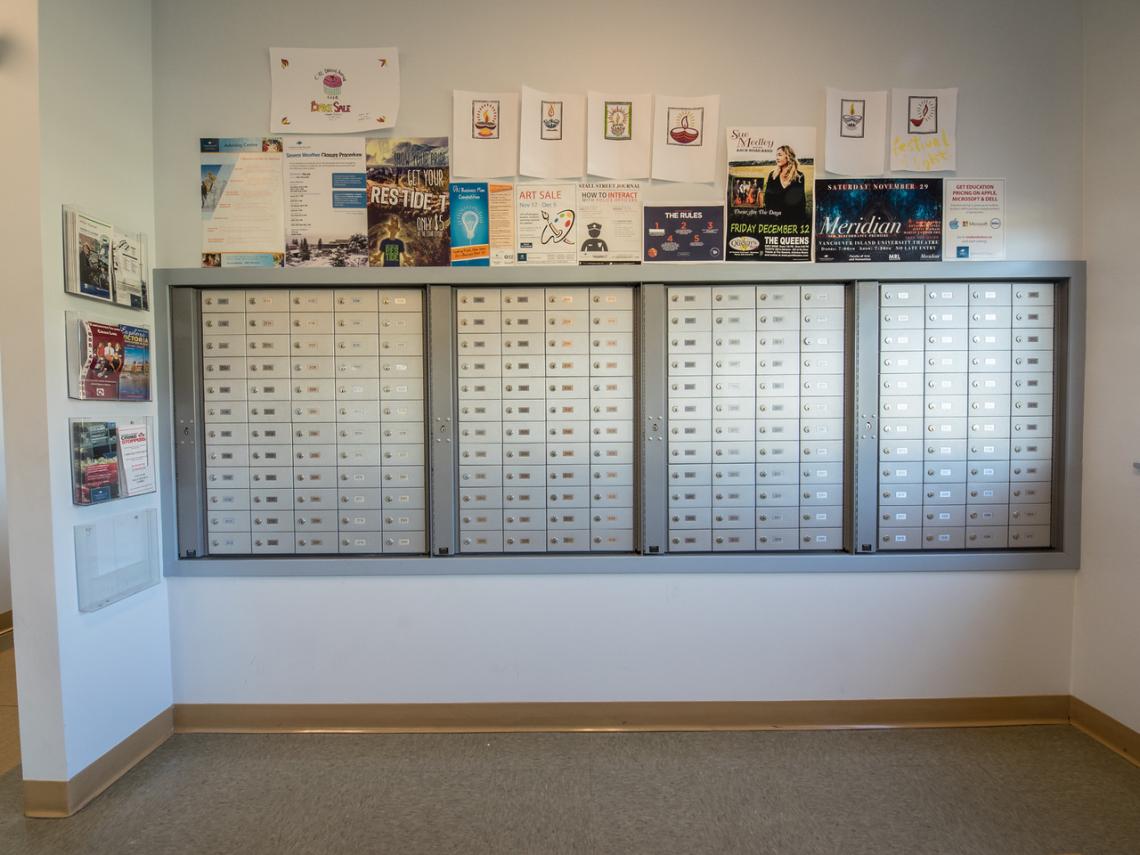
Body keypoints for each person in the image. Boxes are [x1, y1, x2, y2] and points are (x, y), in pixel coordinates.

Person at [763, 145, 809, 225]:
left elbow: (801, 203)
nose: (777, 158)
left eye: (780, 155)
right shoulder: (772, 175)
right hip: (775, 220)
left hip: (793, 220)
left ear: (788, 156)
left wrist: (800, 222)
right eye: (776, 155)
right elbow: (768, 199)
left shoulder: (799, 176)